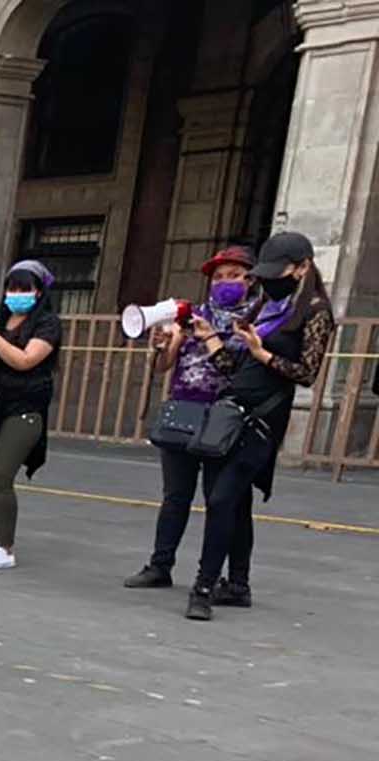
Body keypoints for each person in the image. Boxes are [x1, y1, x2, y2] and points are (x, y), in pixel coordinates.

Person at [181, 231, 336, 620]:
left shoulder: (315, 311)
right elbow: (233, 367)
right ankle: (238, 584)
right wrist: (212, 340)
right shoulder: (266, 305)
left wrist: (261, 352)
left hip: (264, 418)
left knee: (221, 500)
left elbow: (306, 373)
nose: (267, 279)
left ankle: (202, 587)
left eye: (276, 271)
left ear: (302, 268)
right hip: (230, 411)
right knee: (235, 501)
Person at [125, 246, 260, 590]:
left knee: (218, 500)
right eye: (218, 277)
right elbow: (163, 367)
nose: (224, 282)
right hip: (183, 409)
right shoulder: (194, 314)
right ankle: (160, 565)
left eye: (233, 275)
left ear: (250, 279)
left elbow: (238, 367)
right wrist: (167, 343)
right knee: (175, 496)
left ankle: (210, 575)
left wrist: (212, 337)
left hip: (223, 418)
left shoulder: (254, 320)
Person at [0, 260, 62, 572]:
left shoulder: (47, 325)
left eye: (24, 288)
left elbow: (25, 360)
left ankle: (5, 549)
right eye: (12, 287)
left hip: (24, 410)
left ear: (38, 292)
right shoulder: (0, 320)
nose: (16, 294)